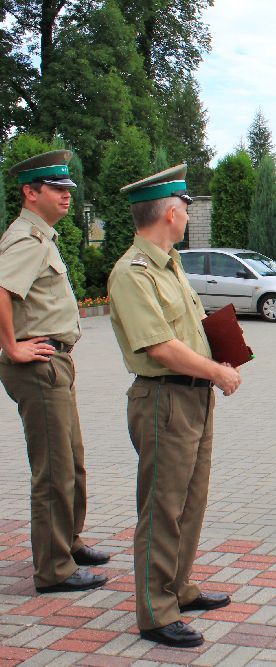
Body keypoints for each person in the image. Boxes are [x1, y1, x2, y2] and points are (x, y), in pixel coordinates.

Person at [108, 165, 242, 648]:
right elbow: (160, 347)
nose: (188, 211)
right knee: (162, 507)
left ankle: (179, 587)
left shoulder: (169, 262)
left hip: (193, 396)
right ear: (170, 210)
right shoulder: (133, 272)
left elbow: (191, 325)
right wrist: (218, 372)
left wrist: (222, 350)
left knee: (190, 500)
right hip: (164, 398)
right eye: (185, 205)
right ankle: (155, 610)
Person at [0, 150, 110, 594]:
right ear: (31, 193)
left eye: (68, 189)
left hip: (56, 362)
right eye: (57, 189)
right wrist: (11, 346)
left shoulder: (42, 237)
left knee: (72, 462)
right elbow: (2, 290)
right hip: (39, 366)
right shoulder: (24, 240)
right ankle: (54, 569)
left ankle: (69, 542)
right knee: (54, 470)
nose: (66, 196)